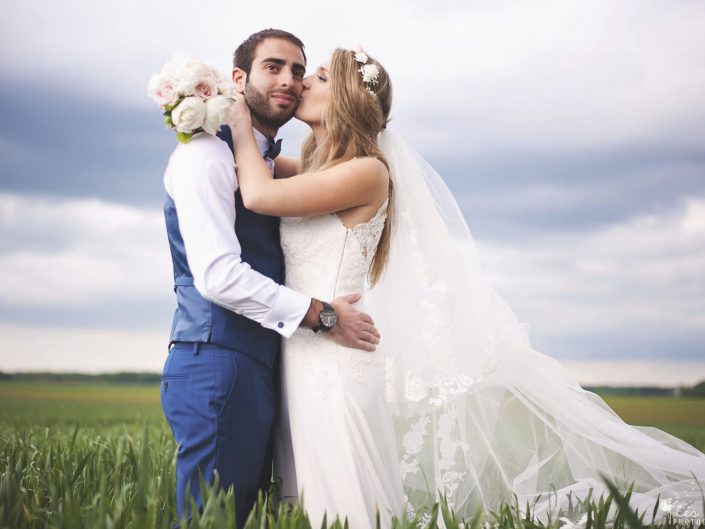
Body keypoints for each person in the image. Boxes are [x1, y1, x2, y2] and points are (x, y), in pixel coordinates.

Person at [225, 47, 705, 528]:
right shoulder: (316, 170)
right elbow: (259, 166)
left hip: (335, 360)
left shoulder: (365, 172)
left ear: (346, 98)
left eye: (321, 77)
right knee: (312, 502)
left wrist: (239, 117)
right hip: (304, 352)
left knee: (345, 504)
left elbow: (259, 192)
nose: (303, 82)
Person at [159, 30, 381, 528]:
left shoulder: (273, 165)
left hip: (271, 367)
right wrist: (322, 315)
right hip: (219, 362)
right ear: (238, 80)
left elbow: (274, 183)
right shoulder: (206, 156)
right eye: (274, 67)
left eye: (301, 72)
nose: (291, 81)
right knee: (211, 522)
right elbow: (217, 276)